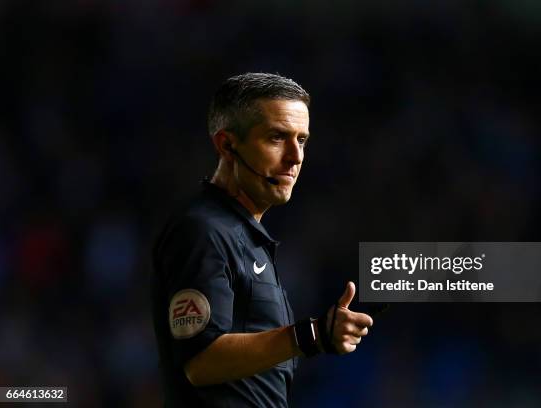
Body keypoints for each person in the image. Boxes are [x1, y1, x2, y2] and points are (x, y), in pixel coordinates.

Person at [151, 72, 374, 407]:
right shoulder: (203, 231)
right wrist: (311, 335)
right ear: (227, 145)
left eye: (301, 140)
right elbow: (201, 362)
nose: (295, 157)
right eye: (276, 138)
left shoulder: (247, 237)